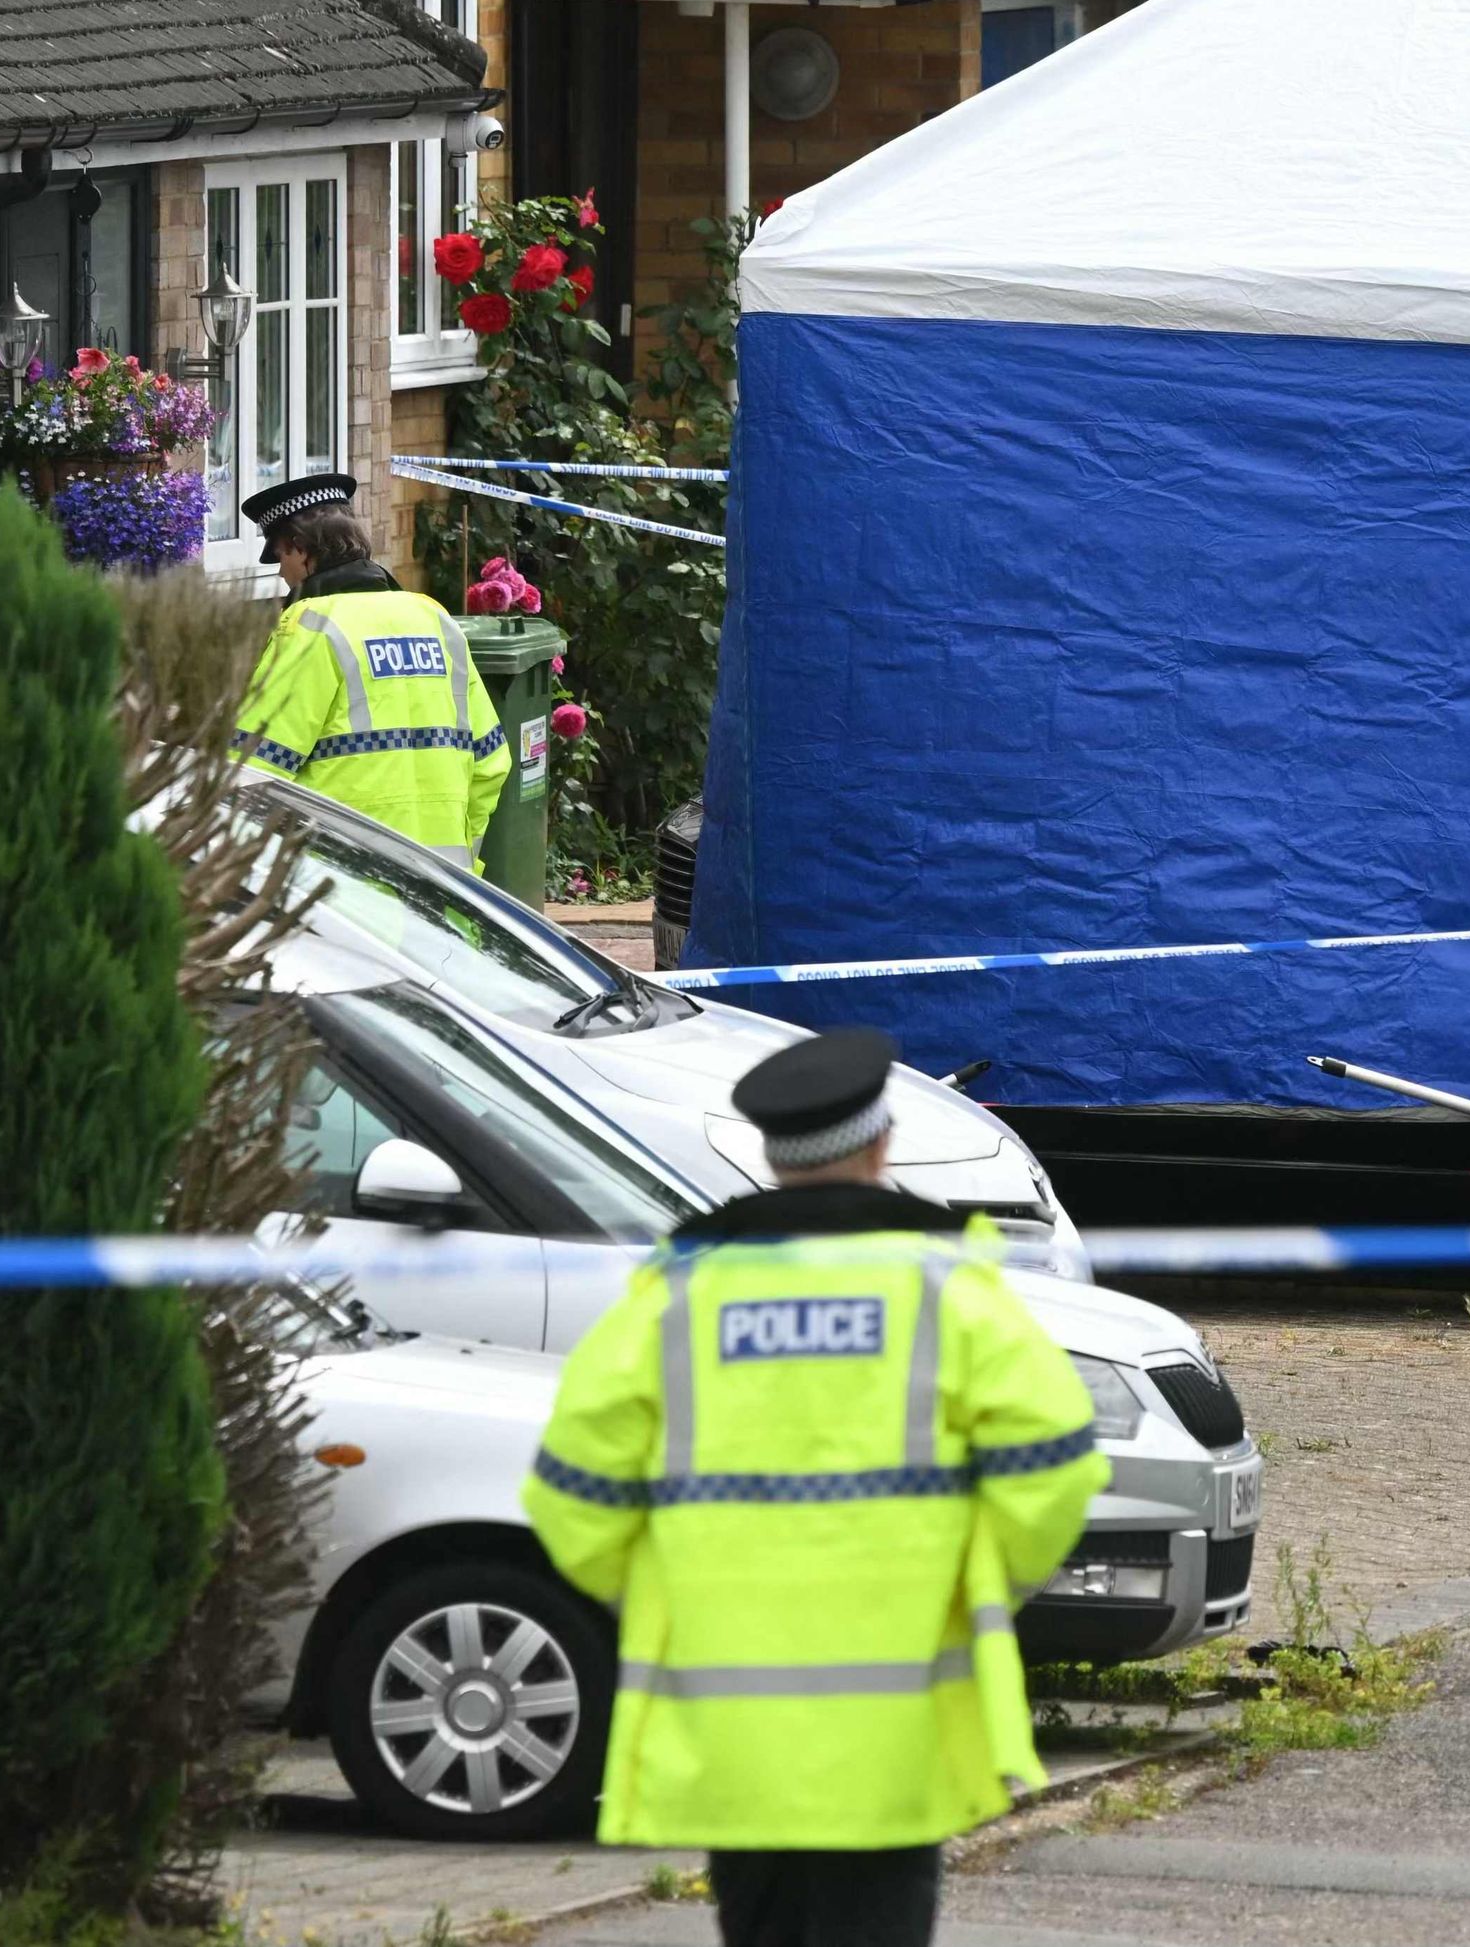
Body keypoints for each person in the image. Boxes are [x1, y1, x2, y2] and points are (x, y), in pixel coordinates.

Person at [521, 1028, 1106, 1947]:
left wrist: (658, 1589)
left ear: (773, 1155)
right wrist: (982, 1582)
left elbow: (571, 1486)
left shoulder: (681, 1291)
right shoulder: (944, 1280)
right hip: (897, 1721)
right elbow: (1056, 1461)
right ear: (879, 1143)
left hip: (730, 1721)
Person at [226, 471, 510, 865]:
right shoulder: (434, 619)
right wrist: (463, 857)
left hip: (344, 885)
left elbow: (254, 765)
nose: (280, 573)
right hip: (444, 888)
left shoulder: (310, 626)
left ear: (303, 549)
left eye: (281, 556)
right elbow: (491, 762)